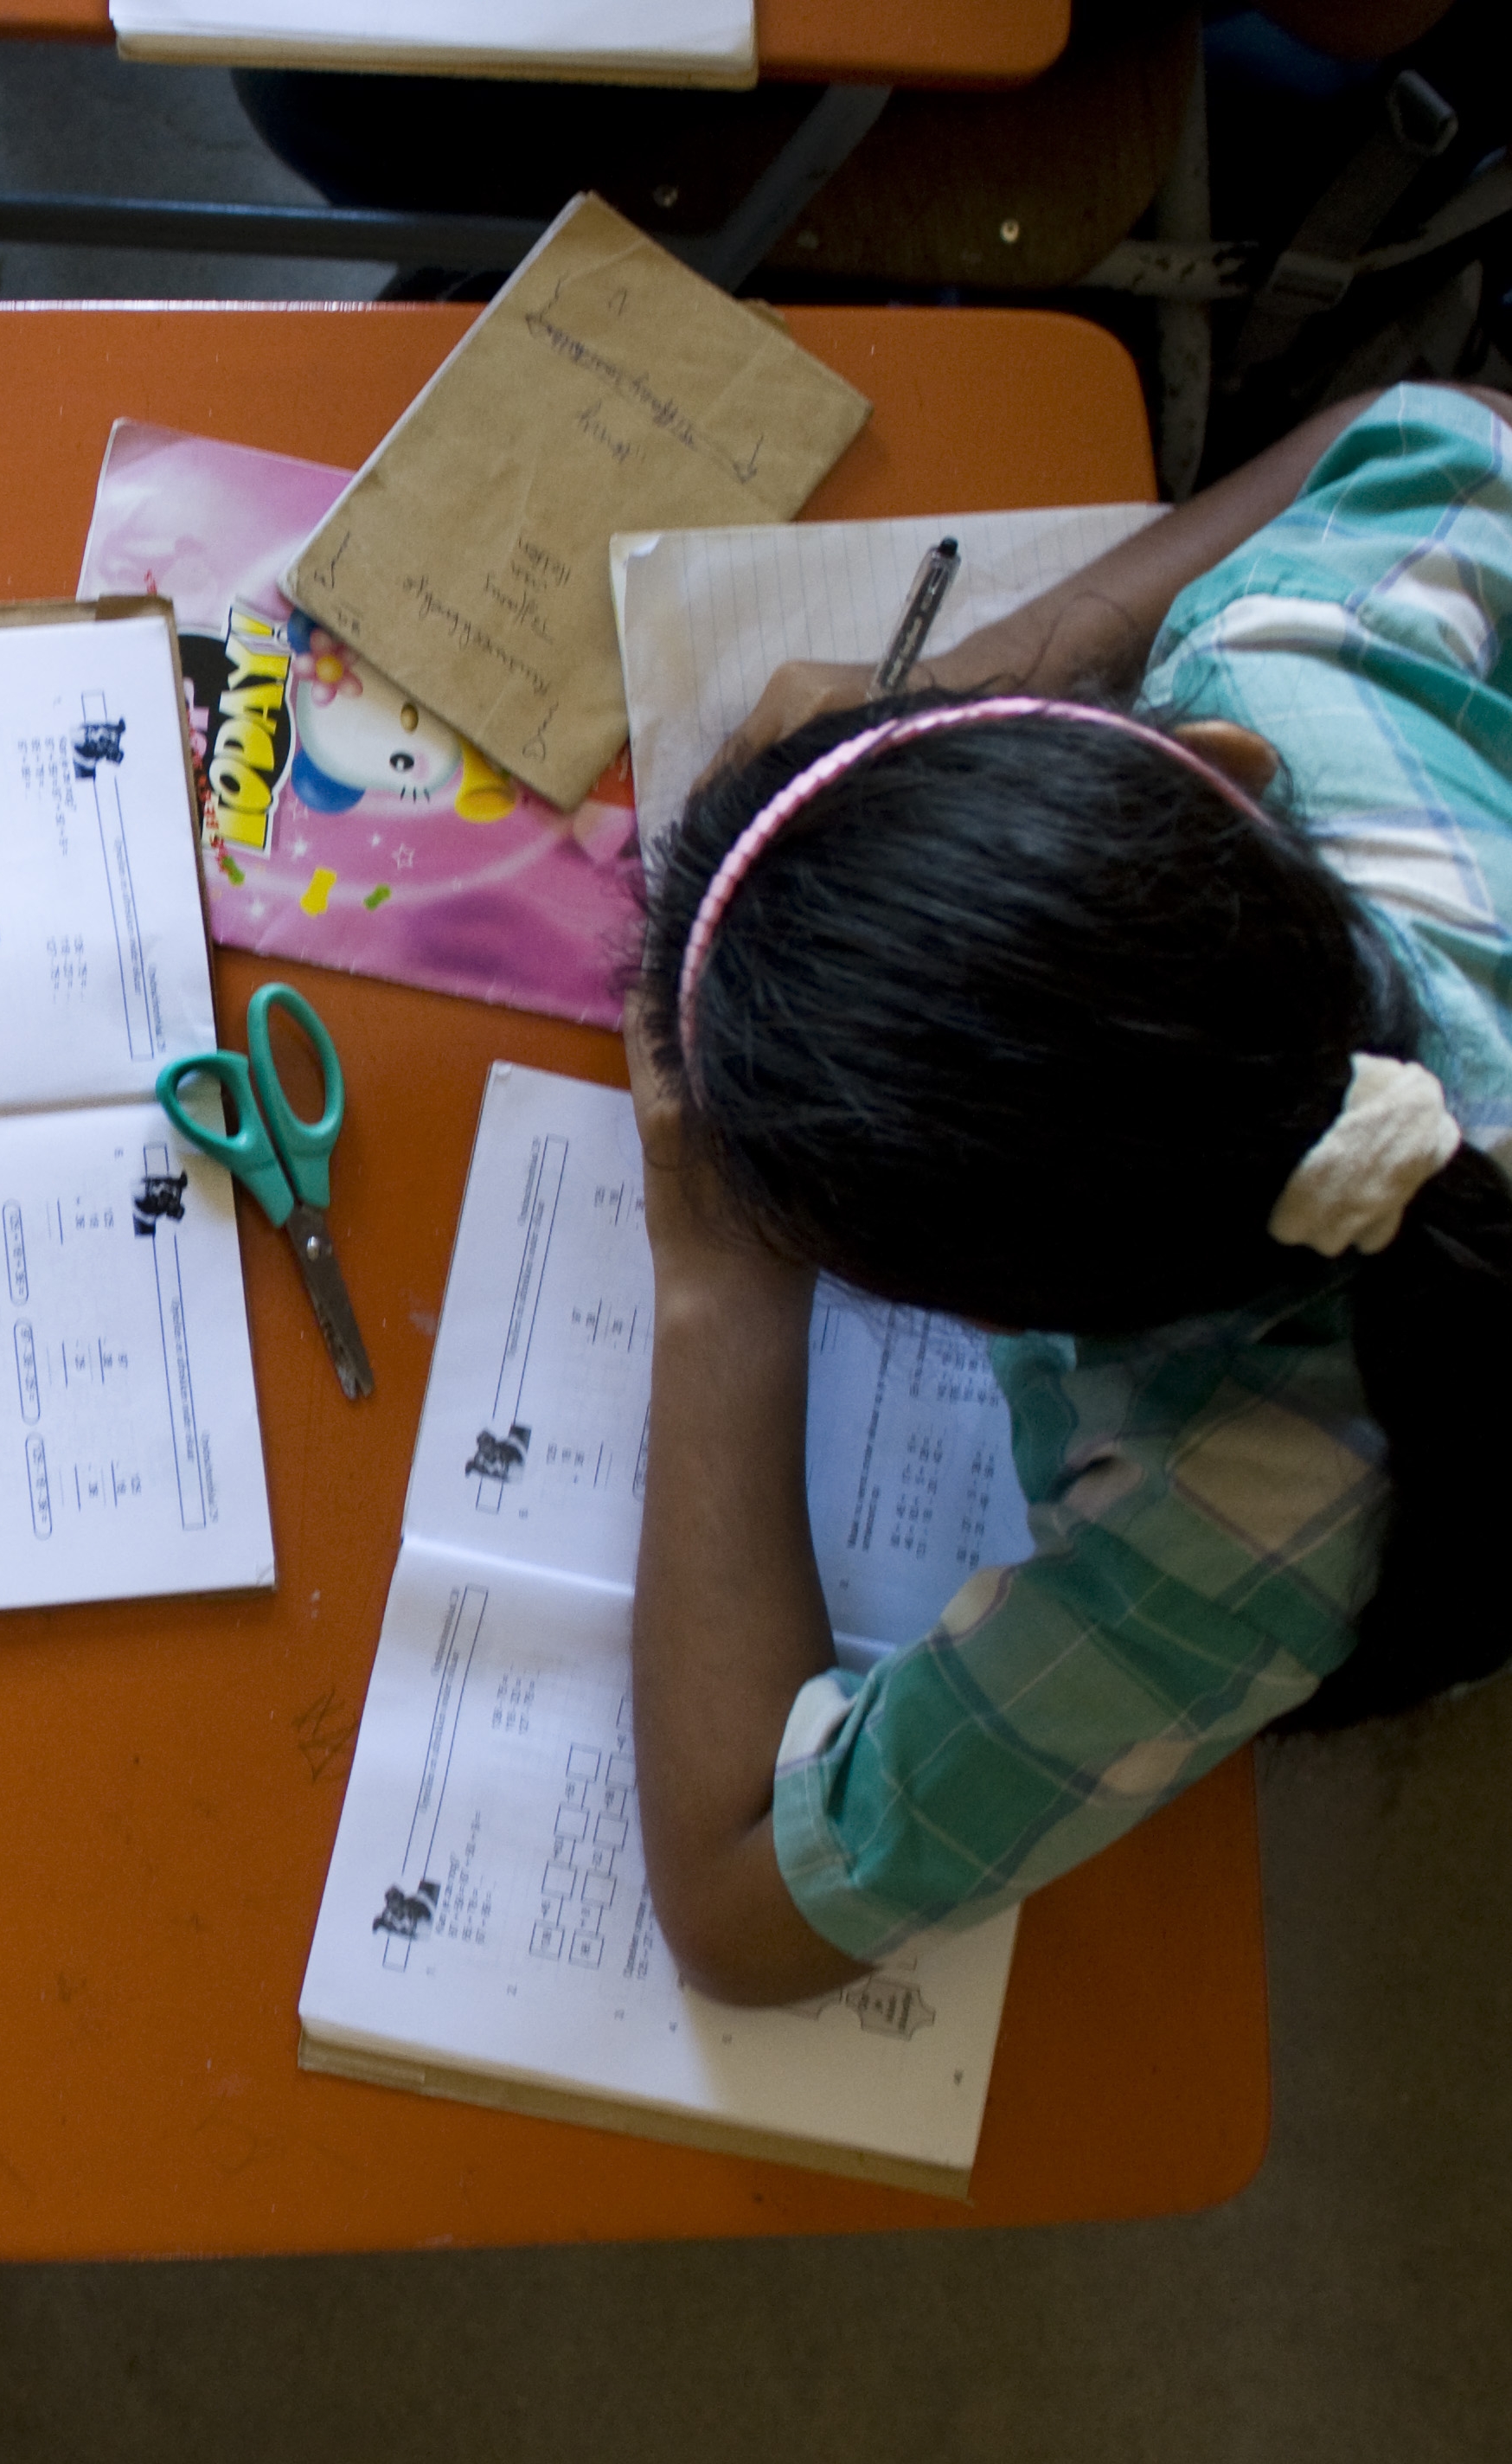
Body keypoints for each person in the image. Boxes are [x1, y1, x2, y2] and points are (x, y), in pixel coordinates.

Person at [621, 378, 1512, 2005]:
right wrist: (984, 682)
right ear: (1220, 768)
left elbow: (743, 1910)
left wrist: (717, 1278)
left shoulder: (1236, 1522)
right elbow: (1439, 417)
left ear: (989, 1316)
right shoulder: (1296, 677)